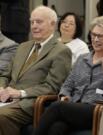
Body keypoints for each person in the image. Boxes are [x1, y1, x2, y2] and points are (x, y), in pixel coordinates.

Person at [32, 16, 103, 135]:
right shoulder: (82, 59)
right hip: (74, 107)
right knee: (57, 127)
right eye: (93, 34)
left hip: (96, 110)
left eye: (100, 36)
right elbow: (68, 84)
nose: (95, 39)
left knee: (57, 107)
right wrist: (65, 95)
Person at [0, 5, 72, 135]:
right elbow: (5, 75)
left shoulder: (61, 51)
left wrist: (20, 93)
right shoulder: (23, 46)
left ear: (52, 24)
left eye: (39, 22)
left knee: (1, 115)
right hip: (6, 98)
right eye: (32, 22)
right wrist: (1, 87)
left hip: (31, 103)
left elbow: (52, 87)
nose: (34, 26)